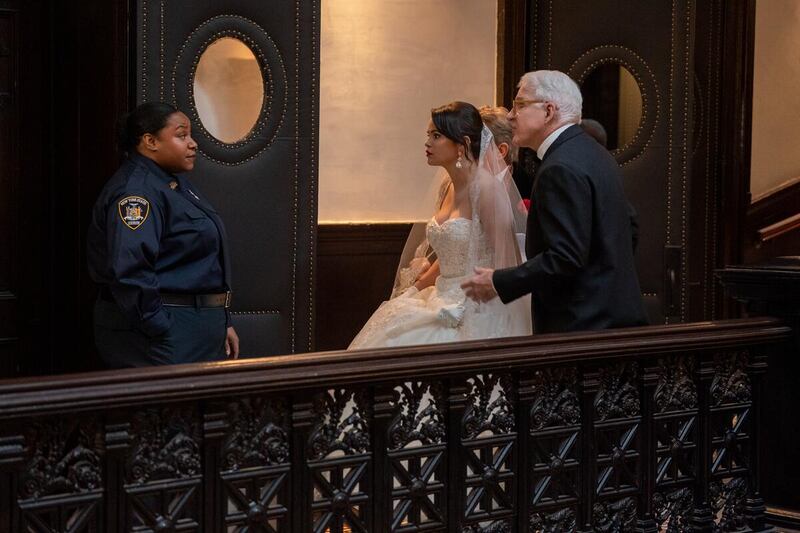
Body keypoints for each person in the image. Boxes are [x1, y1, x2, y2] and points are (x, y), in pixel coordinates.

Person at [462, 70, 648, 333]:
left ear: (548, 111)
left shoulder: (559, 167)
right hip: (612, 314)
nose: (511, 115)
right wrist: (605, 274)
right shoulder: (594, 152)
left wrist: (499, 281)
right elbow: (629, 226)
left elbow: (564, 258)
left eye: (520, 105)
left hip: (581, 324)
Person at [348, 102, 531, 349]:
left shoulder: (487, 189)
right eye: (428, 135)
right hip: (439, 294)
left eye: (436, 136)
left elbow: (507, 262)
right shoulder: (448, 186)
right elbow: (449, 256)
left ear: (462, 144)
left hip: (477, 303)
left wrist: (475, 306)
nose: (427, 143)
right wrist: (414, 289)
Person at [87, 102, 240, 367]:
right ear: (150, 141)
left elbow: (201, 265)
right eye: (181, 136)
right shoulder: (137, 192)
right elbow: (131, 270)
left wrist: (219, 321)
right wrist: (160, 328)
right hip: (164, 334)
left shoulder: (173, 184)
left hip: (196, 327)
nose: (193, 144)